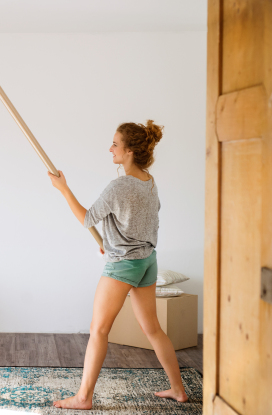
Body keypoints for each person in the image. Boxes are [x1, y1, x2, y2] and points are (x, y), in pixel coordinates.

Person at [49, 120, 188, 410]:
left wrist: (63, 188)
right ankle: (178, 390)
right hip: (147, 261)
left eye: (115, 143)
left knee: (98, 329)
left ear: (128, 151)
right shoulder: (148, 181)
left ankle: (83, 398)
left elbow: (87, 218)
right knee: (153, 329)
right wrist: (109, 241)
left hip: (123, 266)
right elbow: (144, 221)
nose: (110, 148)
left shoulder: (119, 186)